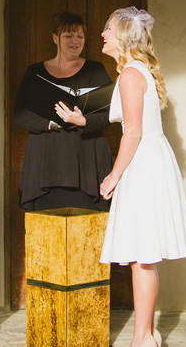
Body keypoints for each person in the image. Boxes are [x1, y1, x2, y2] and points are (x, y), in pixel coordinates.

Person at [99, 6, 186, 347]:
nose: (102, 34)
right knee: (144, 256)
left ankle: (143, 337)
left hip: (143, 163)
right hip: (151, 161)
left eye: (108, 29)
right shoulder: (136, 72)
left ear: (124, 37)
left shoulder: (129, 75)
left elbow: (134, 132)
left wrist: (113, 176)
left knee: (143, 256)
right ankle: (147, 334)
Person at [14, 11, 113, 211]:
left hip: (87, 158)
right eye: (69, 35)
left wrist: (83, 121)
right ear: (55, 38)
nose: (75, 41)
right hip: (46, 158)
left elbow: (109, 113)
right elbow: (20, 112)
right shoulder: (35, 72)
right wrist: (51, 124)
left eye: (80, 36)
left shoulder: (96, 70)